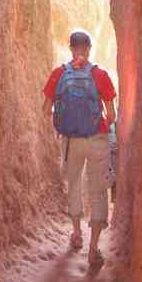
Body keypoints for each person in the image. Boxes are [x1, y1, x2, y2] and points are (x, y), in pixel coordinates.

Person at [42, 29, 117, 266]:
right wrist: (96, 124)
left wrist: (67, 123)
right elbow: (112, 115)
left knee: (73, 184)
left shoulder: (58, 74)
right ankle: (94, 248)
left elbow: (46, 110)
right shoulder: (100, 75)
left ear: (71, 48)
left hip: (71, 140)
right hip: (97, 139)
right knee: (98, 189)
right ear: (89, 48)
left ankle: (76, 234)